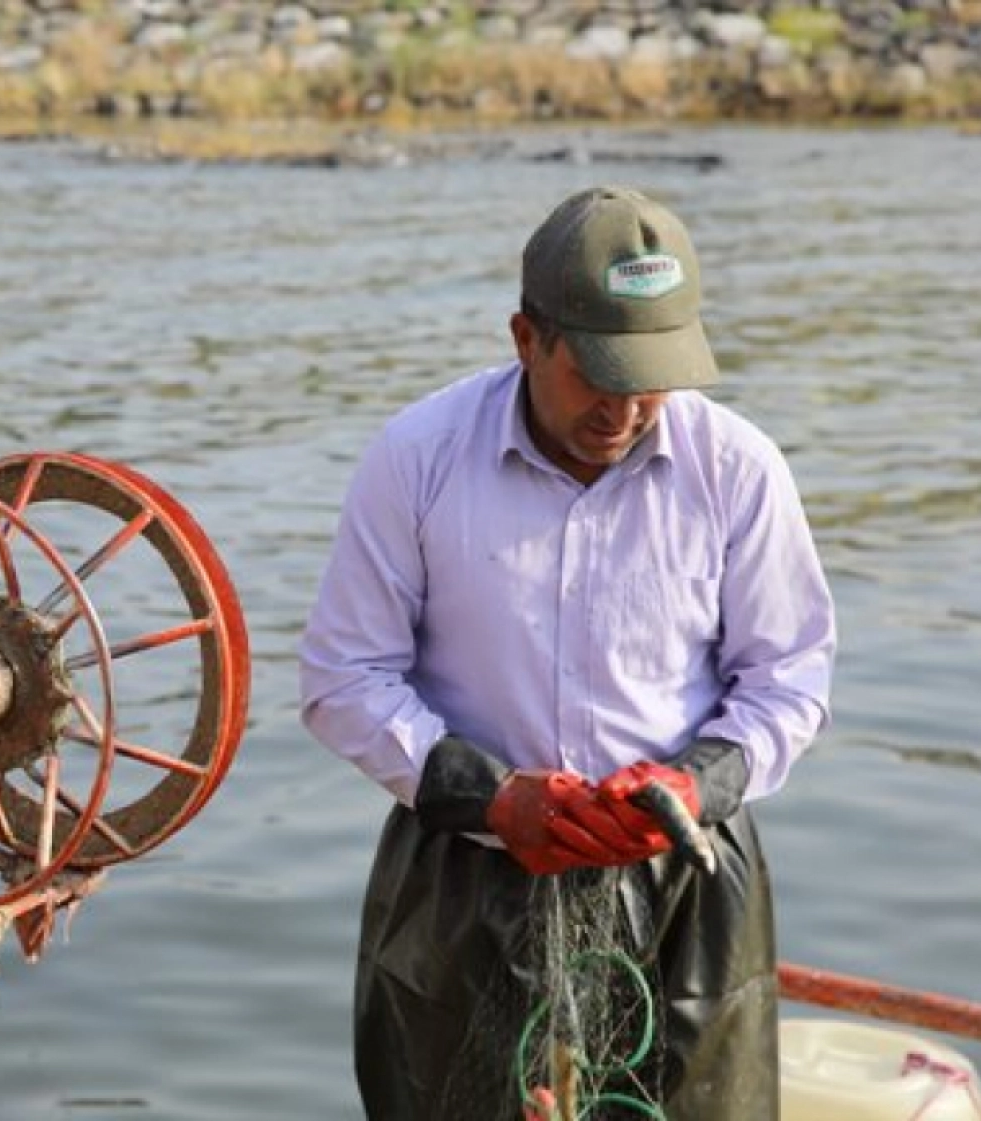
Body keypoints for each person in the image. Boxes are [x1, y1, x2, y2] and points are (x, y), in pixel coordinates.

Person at [298, 186, 835, 1120]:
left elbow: (788, 678)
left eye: (651, 374)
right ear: (525, 338)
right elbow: (343, 677)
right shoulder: (417, 457)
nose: (623, 409)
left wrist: (692, 787)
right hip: (466, 880)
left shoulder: (738, 469)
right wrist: (498, 799)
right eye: (597, 371)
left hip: (682, 880)